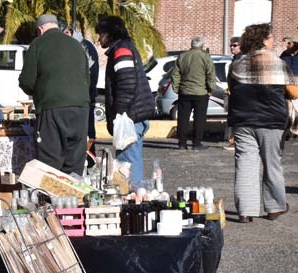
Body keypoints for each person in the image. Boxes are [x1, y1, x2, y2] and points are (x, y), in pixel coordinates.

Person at [227, 23, 297, 223]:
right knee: (272, 163)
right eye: (272, 37)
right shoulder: (277, 62)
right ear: (265, 40)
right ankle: (275, 207)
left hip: (242, 120)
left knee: (245, 163)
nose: (274, 40)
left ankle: (246, 211)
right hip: (271, 119)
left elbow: (231, 88)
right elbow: (293, 93)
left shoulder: (238, 63)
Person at [19, 14, 91, 175]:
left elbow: (27, 81)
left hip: (51, 108)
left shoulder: (38, 44)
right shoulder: (76, 45)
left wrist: (38, 92)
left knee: (50, 161)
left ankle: (50, 198)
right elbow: (87, 79)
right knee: (74, 161)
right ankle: (73, 197)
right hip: (81, 109)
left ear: (40, 29)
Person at [95, 15, 156, 184]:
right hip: (134, 114)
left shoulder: (121, 50)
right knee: (129, 160)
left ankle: (134, 199)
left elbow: (127, 82)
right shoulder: (123, 48)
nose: (99, 38)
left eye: (100, 33)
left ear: (110, 33)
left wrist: (120, 113)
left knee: (127, 163)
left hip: (130, 117)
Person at [171, 36, 216, 150]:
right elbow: (210, 75)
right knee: (199, 119)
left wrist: (176, 88)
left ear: (191, 45)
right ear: (202, 46)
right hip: (201, 93)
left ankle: (182, 143)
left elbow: (175, 74)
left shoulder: (182, 56)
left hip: (184, 92)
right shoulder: (206, 57)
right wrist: (211, 89)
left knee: (183, 118)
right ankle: (196, 143)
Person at [63, 24, 100, 160]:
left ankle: (89, 164)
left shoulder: (85, 47)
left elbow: (89, 76)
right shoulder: (69, 46)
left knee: (86, 135)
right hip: (75, 100)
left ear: (68, 32)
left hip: (84, 100)